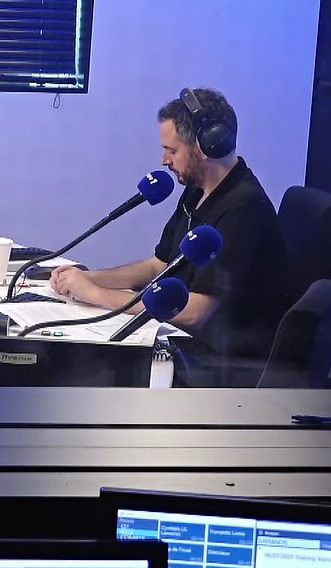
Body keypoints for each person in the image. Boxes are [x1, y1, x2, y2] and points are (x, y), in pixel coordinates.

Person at [49, 88, 290, 387]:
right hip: (188, 344)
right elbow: (159, 265)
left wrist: (96, 295)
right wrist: (87, 278)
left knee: (85, 368)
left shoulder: (244, 208)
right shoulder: (198, 190)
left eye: (172, 150)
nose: (164, 160)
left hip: (221, 362)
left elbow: (194, 313)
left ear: (206, 146)